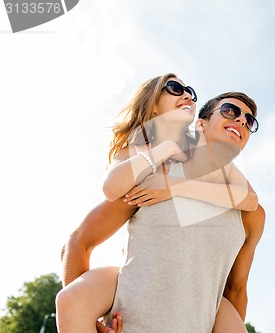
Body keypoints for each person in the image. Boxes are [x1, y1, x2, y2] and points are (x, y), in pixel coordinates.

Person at [56, 74, 264, 332]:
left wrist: (177, 188)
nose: (241, 120)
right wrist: (93, 320)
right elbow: (79, 242)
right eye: (230, 111)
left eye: (249, 120)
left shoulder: (248, 212)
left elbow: (236, 289)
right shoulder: (152, 177)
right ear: (201, 124)